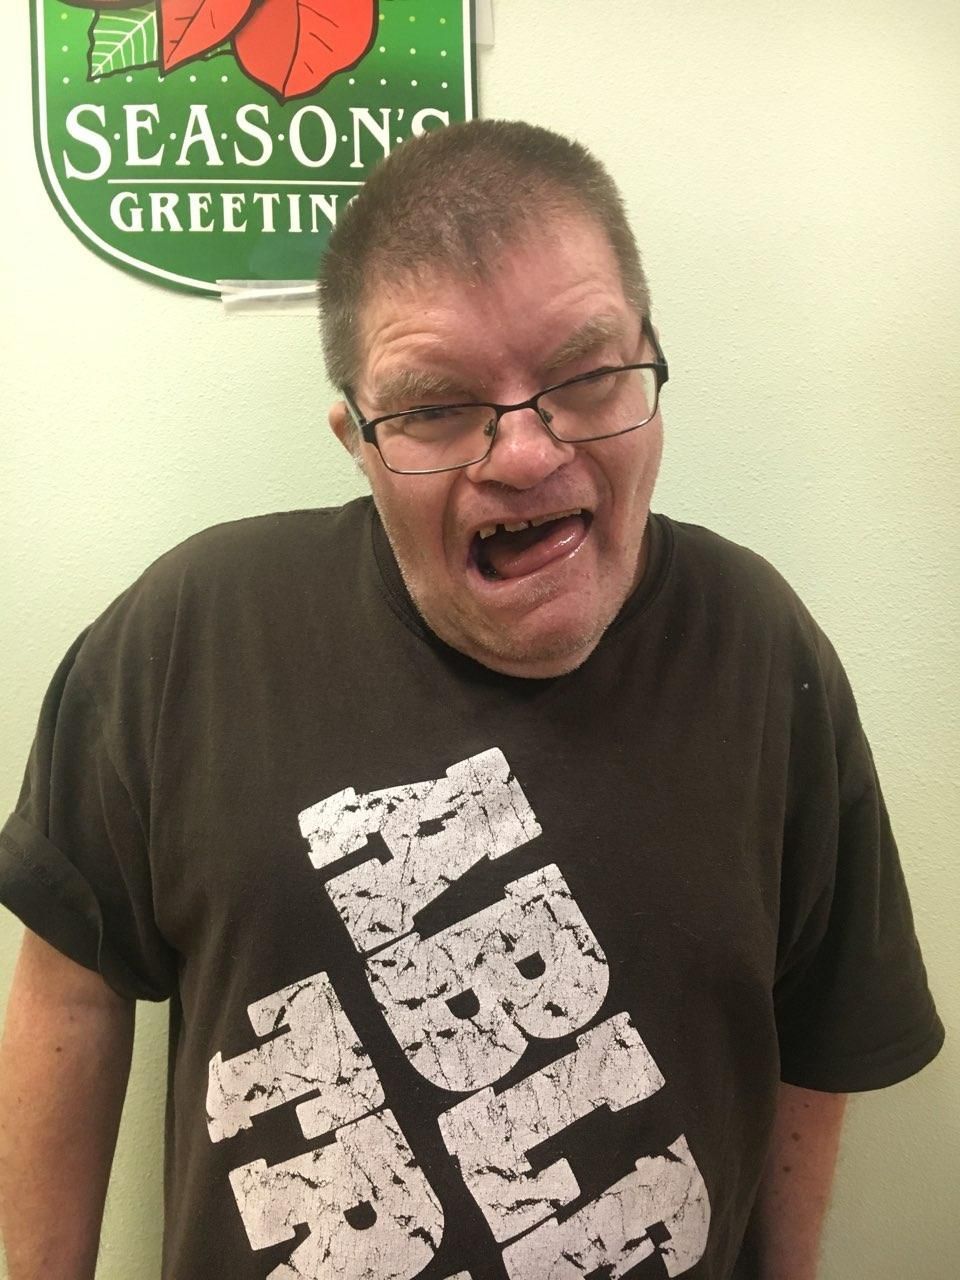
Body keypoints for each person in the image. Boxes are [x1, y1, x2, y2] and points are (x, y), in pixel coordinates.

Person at [0, 119, 943, 1280]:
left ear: (651, 362)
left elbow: (820, 1035)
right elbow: (71, 987)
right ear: (357, 438)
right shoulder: (190, 631)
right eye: (436, 406)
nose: (526, 454)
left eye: (586, 375)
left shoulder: (762, 648)